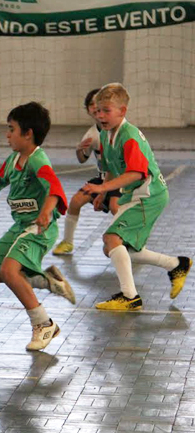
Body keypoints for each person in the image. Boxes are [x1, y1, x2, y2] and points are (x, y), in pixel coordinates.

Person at [0, 102, 75, 351]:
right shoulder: (13, 159)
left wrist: (47, 211)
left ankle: (44, 323)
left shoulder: (38, 161)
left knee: (9, 271)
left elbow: (54, 189)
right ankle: (46, 280)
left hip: (39, 229)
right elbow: (2, 177)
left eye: (11, 129)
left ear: (28, 133)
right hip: (20, 227)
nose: (7, 134)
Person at [82, 83, 191, 310]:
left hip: (149, 195)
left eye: (106, 110)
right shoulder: (106, 133)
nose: (100, 115)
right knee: (115, 247)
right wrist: (105, 189)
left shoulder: (129, 136)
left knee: (112, 240)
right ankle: (175, 264)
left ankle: (130, 297)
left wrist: (103, 189)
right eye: (98, 110)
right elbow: (113, 165)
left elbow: (135, 172)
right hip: (135, 194)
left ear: (122, 111)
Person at [53, 89, 121, 255]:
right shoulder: (91, 134)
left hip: (120, 179)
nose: (96, 107)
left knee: (115, 207)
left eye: (99, 103)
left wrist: (104, 191)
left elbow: (117, 164)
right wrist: (79, 150)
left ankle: (131, 240)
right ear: (89, 110)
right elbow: (82, 159)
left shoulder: (118, 130)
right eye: (92, 104)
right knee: (76, 201)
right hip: (103, 178)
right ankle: (67, 242)